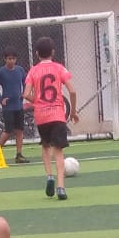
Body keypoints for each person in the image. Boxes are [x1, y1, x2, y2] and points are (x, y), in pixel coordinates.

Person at [24, 37, 76, 201]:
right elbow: (72, 91)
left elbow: (26, 94)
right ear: (53, 52)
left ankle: (49, 176)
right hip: (57, 114)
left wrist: (38, 101)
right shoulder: (59, 68)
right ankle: (61, 187)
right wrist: (73, 112)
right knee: (58, 151)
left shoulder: (33, 71)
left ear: (37, 54)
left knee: (45, 147)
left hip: (41, 115)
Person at [0, 49, 30, 164]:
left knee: (19, 130)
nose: (11, 61)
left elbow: (25, 82)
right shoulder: (1, 72)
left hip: (19, 106)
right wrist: (1, 100)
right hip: (8, 107)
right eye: (9, 59)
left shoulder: (20, 70)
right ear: (5, 59)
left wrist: (24, 94)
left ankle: (19, 155)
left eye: (13, 59)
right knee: (8, 131)